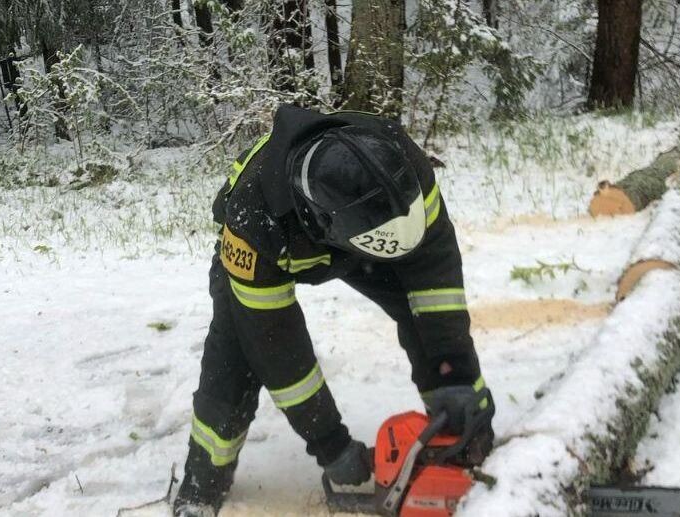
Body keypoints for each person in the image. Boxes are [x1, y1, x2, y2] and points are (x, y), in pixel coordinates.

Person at [173, 104, 495, 517]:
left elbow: (436, 282)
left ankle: (459, 441)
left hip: (372, 238)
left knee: (425, 313)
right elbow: (280, 353)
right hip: (273, 251)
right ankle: (201, 487)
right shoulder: (255, 226)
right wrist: (330, 444)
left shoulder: (402, 163)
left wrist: (457, 374)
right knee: (233, 364)